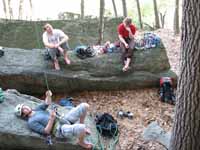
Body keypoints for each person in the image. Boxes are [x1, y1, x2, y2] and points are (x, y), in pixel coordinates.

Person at [14, 90, 93, 149]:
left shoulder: (37, 109)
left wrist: (48, 96)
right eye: (23, 109)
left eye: (24, 106)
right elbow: (46, 131)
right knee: (81, 128)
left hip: (62, 119)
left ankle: (81, 125)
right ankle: (81, 142)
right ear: (23, 115)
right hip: (59, 130)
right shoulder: (31, 122)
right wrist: (51, 118)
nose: (25, 107)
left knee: (84, 106)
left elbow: (47, 103)